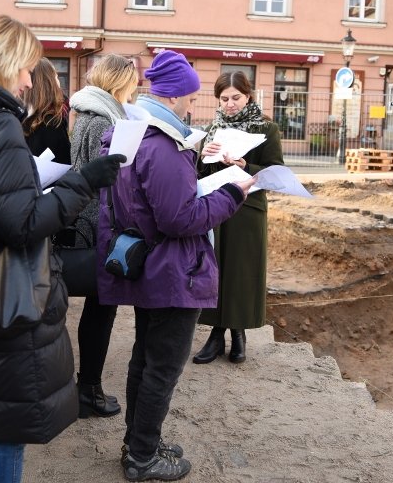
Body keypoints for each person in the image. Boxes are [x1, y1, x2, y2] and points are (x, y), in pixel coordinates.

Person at [0, 14, 125, 483]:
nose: (27, 80)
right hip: (6, 297)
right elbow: (22, 223)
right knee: (7, 430)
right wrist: (82, 182)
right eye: (25, 68)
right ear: (8, 62)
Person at [98, 50, 255, 481]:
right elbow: (179, 218)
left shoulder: (132, 132)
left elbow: (147, 202)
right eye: (191, 97)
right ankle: (143, 456)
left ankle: (139, 440)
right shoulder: (162, 144)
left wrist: (204, 173)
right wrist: (234, 193)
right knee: (162, 366)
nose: (194, 105)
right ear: (174, 96)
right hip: (171, 270)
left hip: (149, 264)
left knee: (145, 359)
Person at [193, 71, 285, 365]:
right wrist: (202, 156)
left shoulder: (267, 129)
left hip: (248, 210)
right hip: (217, 207)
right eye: (224, 99)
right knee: (217, 269)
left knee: (242, 273)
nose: (230, 104)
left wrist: (246, 164)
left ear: (248, 96)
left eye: (236, 98)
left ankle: (239, 334)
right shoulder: (212, 130)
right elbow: (198, 174)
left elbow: (276, 173)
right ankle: (216, 335)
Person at [68, 53, 140, 418]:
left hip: (88, 218)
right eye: (133, 82)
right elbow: (107, 176)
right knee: (101, 309)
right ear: (120, 81)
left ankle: (87, 387)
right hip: (99, 223)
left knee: (100, 309)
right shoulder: (103, 119)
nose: (136, 88)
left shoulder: (86, 113)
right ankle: (89, 389)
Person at [22, 57, 71, 163]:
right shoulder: (53, 121)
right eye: (56, 76)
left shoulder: (19, 116)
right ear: (49, 82)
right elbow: (65, 162)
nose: (58, 81)